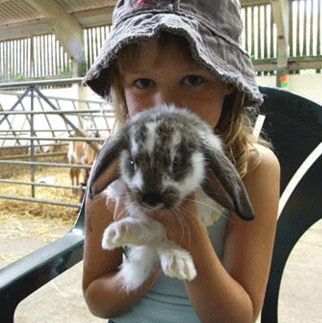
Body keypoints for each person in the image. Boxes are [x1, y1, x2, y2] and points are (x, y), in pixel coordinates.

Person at [82, 0, 280, 322]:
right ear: (123, 86)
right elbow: (97, 299)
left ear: (227, 78)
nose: (168, 104)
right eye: (144, 83)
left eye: (192, 80)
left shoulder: (255, 169)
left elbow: (238, 316)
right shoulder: (119, 163)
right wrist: (150, 250)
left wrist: (176, 226)